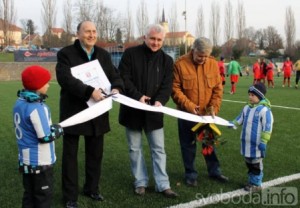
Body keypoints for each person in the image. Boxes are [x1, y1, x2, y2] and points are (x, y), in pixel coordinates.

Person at [56, 21, 124, 208]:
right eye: (87, 31)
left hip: (97, 113)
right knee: (70, 157)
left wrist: (117, 87)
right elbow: (65, 79)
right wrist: (89, 91)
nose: (91, 35)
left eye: (94, 31)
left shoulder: (102, 54)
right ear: (78, 33)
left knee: (95, 154)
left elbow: (114, 74)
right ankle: (70, 196)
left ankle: (92, 189)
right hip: (74, 113)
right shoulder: (65, 54)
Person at [118, 24, 178, 198]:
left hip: (154, 112)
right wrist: (138, 96)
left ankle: (163, 184)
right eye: (152, 38)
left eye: (159, 40)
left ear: (163, 41)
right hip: (132, 110)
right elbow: (124, 78)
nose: (155, 43)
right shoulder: (130, 54)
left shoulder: (167, 60)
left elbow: (168, 85)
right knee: (135, 148)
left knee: (159, 149)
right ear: (145, 37)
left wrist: (160, 100)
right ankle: (140, 182)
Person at [172, 37, 228, 187]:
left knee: (209, 143)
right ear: (193, 50)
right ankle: (190, 174)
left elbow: (217, 89)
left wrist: (213, 109)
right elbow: (175, 89)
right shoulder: (180, 64)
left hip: (206, 116)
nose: (203, 59)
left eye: (206, 56)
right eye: (200, 56)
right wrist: (189, 106)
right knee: (188, 145)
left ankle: (214, 171)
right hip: (186, 114)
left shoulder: (212, 64)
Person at [13, 65, 64, 208]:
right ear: (37, 85)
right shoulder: (37, 107)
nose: (48, 85)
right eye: (45, 82)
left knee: (29, 195)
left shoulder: (19, 103)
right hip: (40, 162)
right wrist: (58, 130)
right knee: (43, 198)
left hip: (25, 160)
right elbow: (45, 137)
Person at [230, 83, 273, 191]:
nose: (250, 97)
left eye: (252, 95)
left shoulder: (264, 110)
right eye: (249, 95)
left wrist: (264, 141)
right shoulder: (246, 108)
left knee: (256, 165)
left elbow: (267, 127)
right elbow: (239, 119)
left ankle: (256, 184)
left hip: (257, 145)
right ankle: (251, 181)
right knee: (249, 163)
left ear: (260, 96)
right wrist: (232, 124)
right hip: (246, 143)